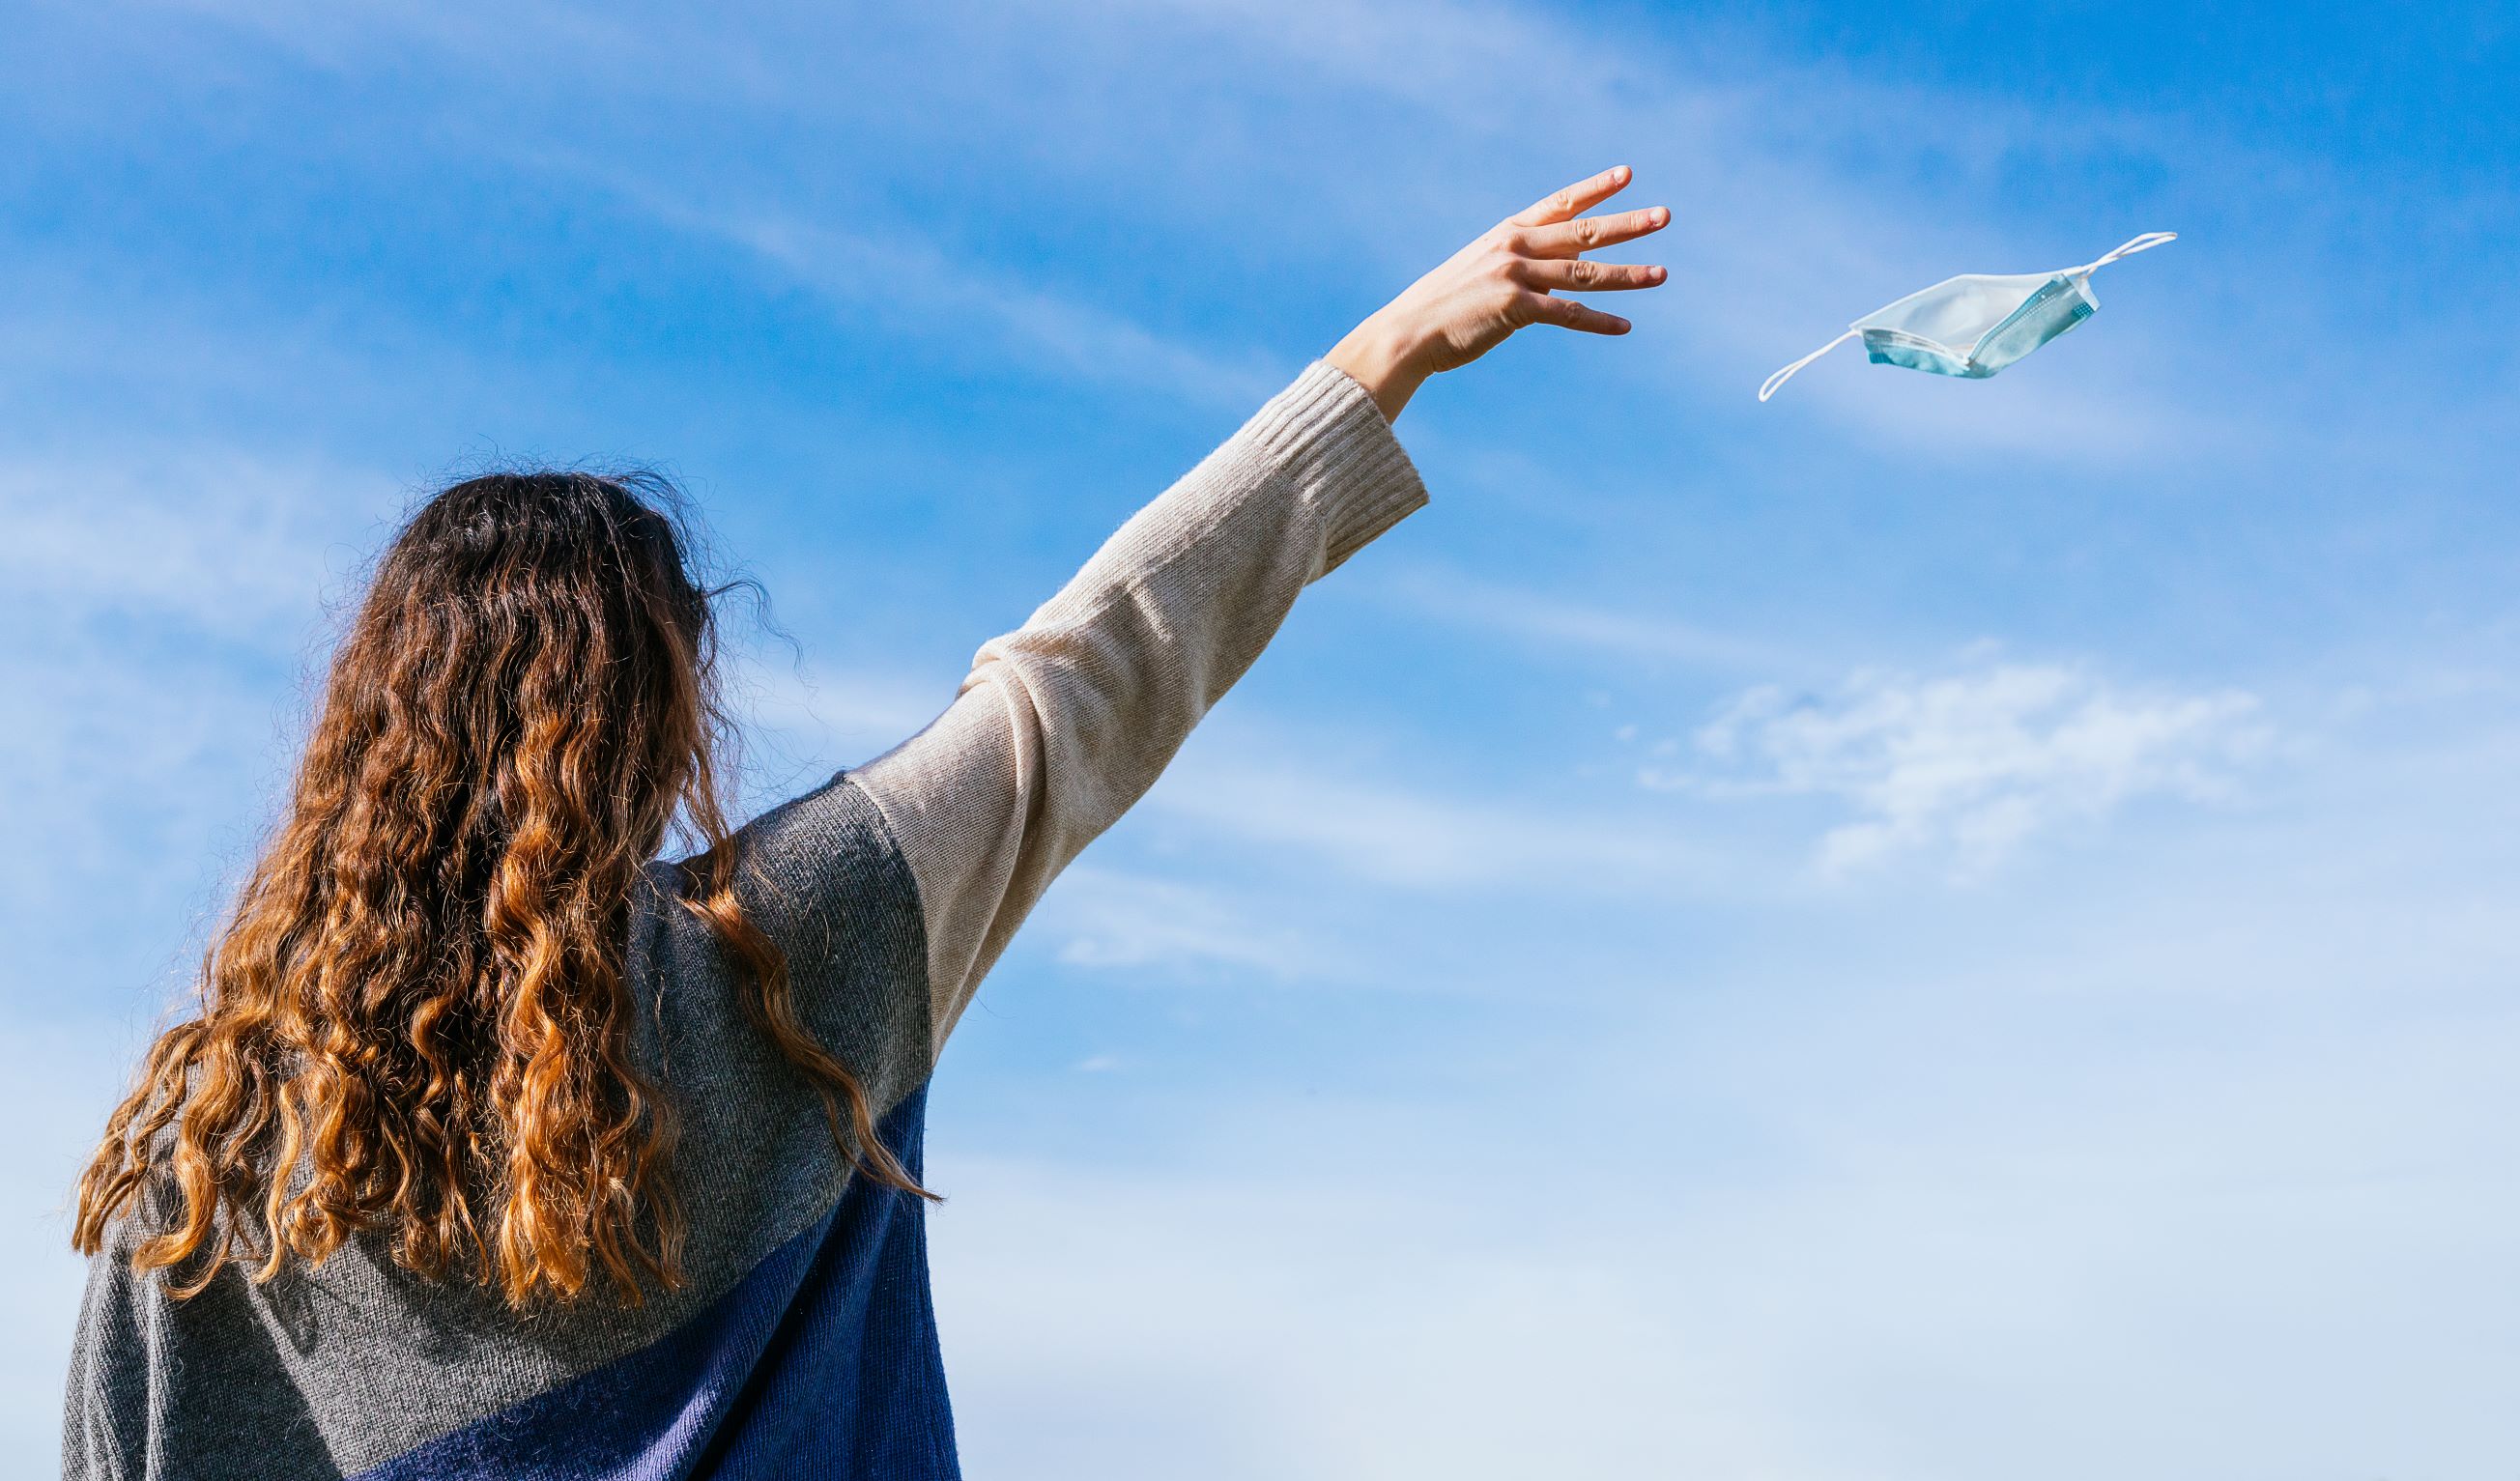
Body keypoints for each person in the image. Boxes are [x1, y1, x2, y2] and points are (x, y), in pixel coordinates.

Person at [61, 166, 1670, 1480]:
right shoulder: (798, 950)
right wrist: (1385, 350)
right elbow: (1093, 672)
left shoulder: (210, 1174)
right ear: (659, 717)